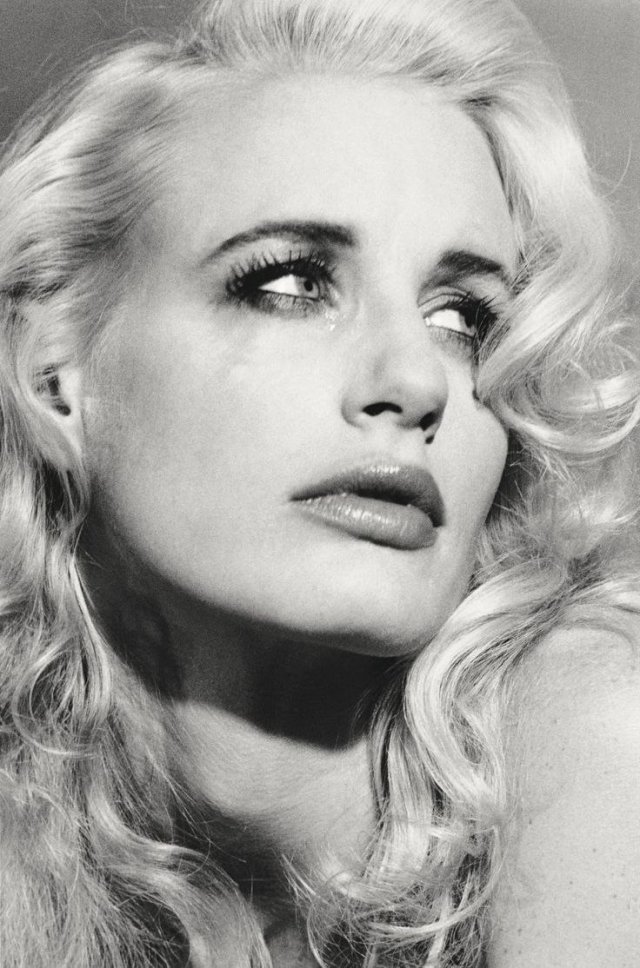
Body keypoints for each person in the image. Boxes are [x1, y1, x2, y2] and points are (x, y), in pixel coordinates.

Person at [0, 0, 638, 965]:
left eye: (463, 318)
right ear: (54, 376)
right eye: (292, 284)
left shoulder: (592, 733)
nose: (418, 381)